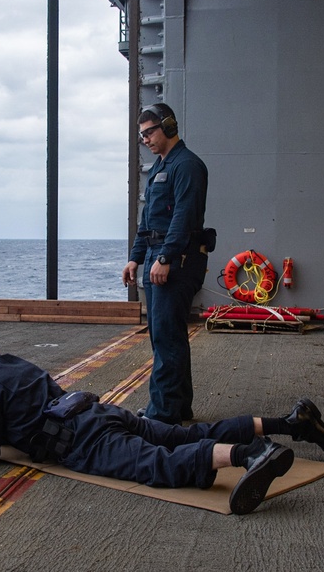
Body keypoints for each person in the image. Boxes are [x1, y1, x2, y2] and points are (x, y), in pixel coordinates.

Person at [0, 323, 324, 515]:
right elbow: (9, 420)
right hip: (103, 414)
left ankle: (250, 454)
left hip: (82, 442)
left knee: (158, 464)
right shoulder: (13, 364)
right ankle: (291, 423)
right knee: (189, 434)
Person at [121, 103, 210, 425]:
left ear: (169, 127)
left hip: (178, 260)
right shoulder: (160, 168)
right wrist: (135, 257)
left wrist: (164, 258)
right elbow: (149, 222)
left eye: (149, 132)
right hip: (160, 257)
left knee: (167, 336)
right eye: (141, 135)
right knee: (164, 334)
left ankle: (162, 412)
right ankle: (176, 407)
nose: (145, 139)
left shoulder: (186, 165)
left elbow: (183, 218)